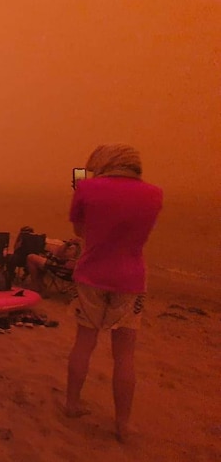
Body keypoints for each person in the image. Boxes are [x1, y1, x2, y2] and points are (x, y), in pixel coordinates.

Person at [63, 144, 162, 443]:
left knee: (84, 343)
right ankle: (123, 424)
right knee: (125, 355)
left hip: (91, 275)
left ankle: (72, 403)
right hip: (130, 280)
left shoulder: (87, 188)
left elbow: (81, 232)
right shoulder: (154, 194)